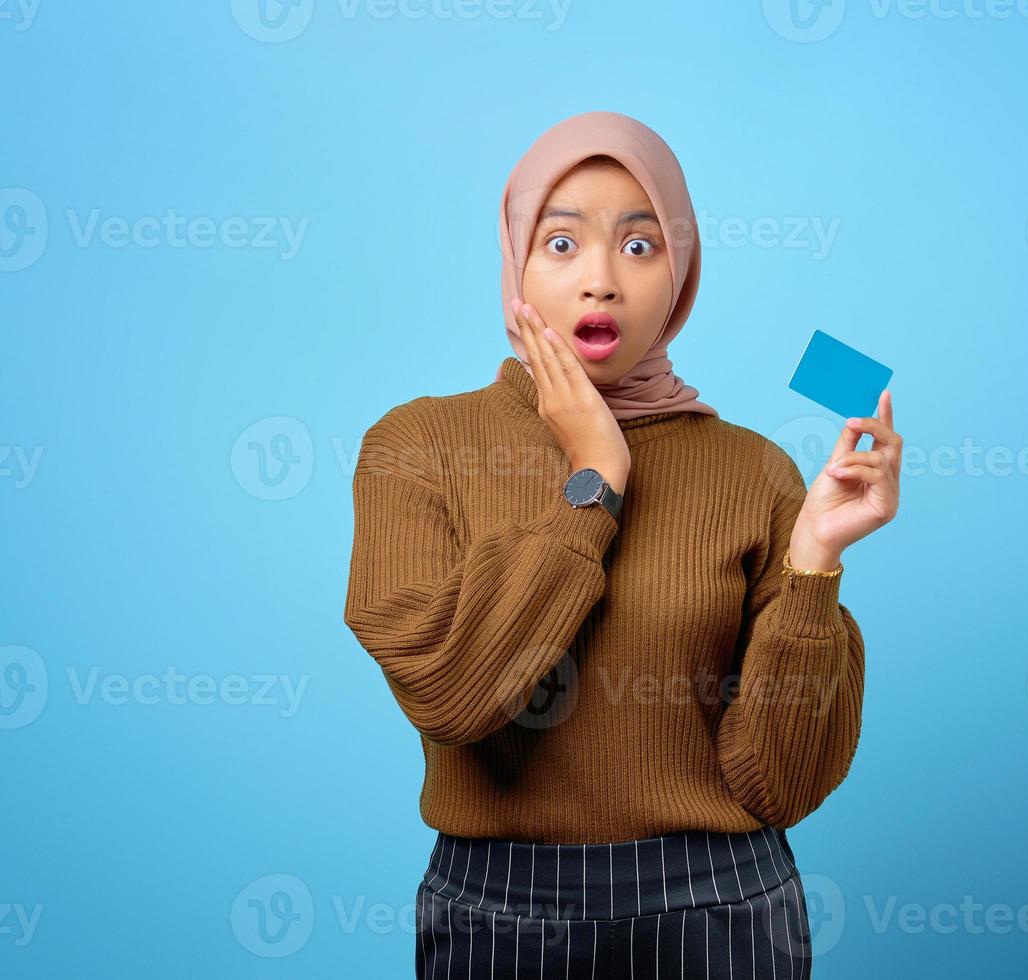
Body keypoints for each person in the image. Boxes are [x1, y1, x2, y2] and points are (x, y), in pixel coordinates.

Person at [343, 110, 901, 978]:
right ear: (515, 263)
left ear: (680, 275)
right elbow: (453, 694)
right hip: (502, 913)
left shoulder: (753, 470)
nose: (600, 280)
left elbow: (779, 787)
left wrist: (815, 562)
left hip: (722, 909)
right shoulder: (418, 447)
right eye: (561, 244)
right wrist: (593, 477)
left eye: (640, 247)